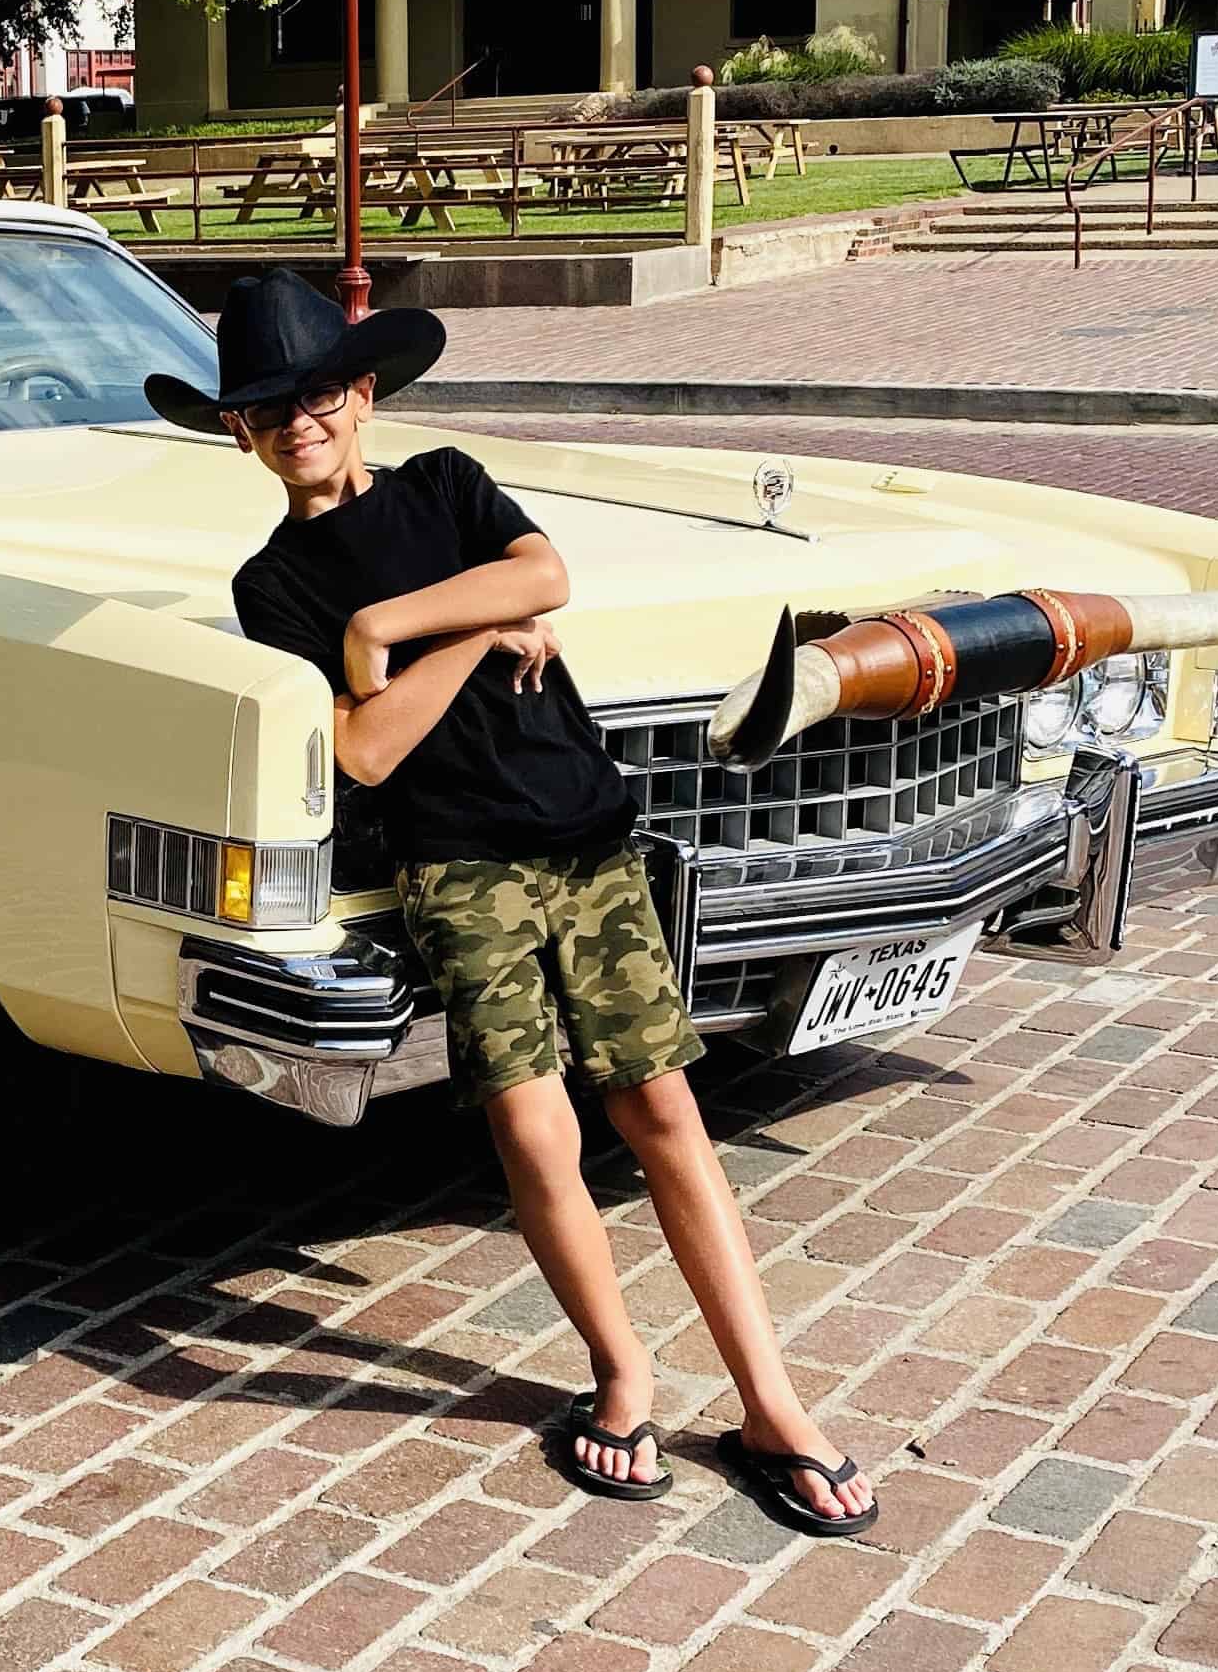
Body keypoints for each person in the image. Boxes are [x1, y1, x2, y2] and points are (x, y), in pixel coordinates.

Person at [150, 273, 875, 1536]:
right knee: (537, 1134)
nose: (298, 422)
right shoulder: (270, 588)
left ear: (363, 395)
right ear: (238, 434)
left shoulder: (444, 487)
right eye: (266, 409)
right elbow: (367, 749)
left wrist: (391, 620)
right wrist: (469, 641)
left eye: (317, 393)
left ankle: (772, 1401)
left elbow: (544, 574)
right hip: (458, 865)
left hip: (586, 836)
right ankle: (622, 1373)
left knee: (662, 1109)